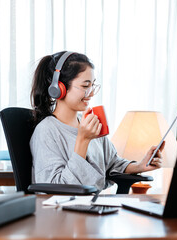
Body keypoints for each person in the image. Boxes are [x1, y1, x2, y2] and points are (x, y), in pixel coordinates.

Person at [30, 51, 164, 190]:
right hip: (64, 208)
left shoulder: (89, 123)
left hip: (97, 204)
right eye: (85, 86)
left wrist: (139, 166)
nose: (92, 92)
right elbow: (54, 188)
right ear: (59, 88)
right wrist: (83, 140)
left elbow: (112, 162)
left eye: (93, 85)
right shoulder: (46, 130)